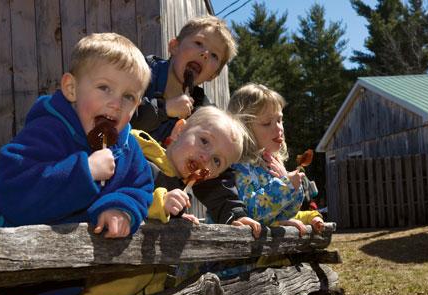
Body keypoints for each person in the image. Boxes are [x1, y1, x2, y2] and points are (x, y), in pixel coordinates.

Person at [0, 32, 154, 295]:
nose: (116, 103)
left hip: (65, 278)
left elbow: (140, 185)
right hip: (0, 272)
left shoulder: (127, 147)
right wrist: (83, 172)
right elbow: (14, 189)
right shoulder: (49, 129)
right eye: (104, 88)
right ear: (71, 89)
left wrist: (120, 207)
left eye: (129, 96)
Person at [132, 15, 252, 227]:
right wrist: (163, 109)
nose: (205, 54)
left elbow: (216, 175)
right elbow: (114, 117)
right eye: (198, 43)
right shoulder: (138, 74)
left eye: (214, 55)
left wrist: (233, 213)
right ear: (174, 46)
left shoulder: (204, 116)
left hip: (158, 205)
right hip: (115, 181)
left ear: (213, 75)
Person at [227, 83, 325, 235]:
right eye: (267, 123)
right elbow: (252, 213)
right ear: (243, 128)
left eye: (280, 120)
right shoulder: (239, 166)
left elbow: (285, 210)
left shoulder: (270, 163)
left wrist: (280, 218)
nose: (279, 128)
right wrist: (286, 185)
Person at [132, 105, 247, 225]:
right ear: (179, 130)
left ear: (213, 176)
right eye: (204, 141)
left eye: (216, 160)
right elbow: (119, 192)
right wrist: (159, 202)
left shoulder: (182, 189)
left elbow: (220, 197)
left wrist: (176, 217)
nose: (206, 158)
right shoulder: (140, 153)